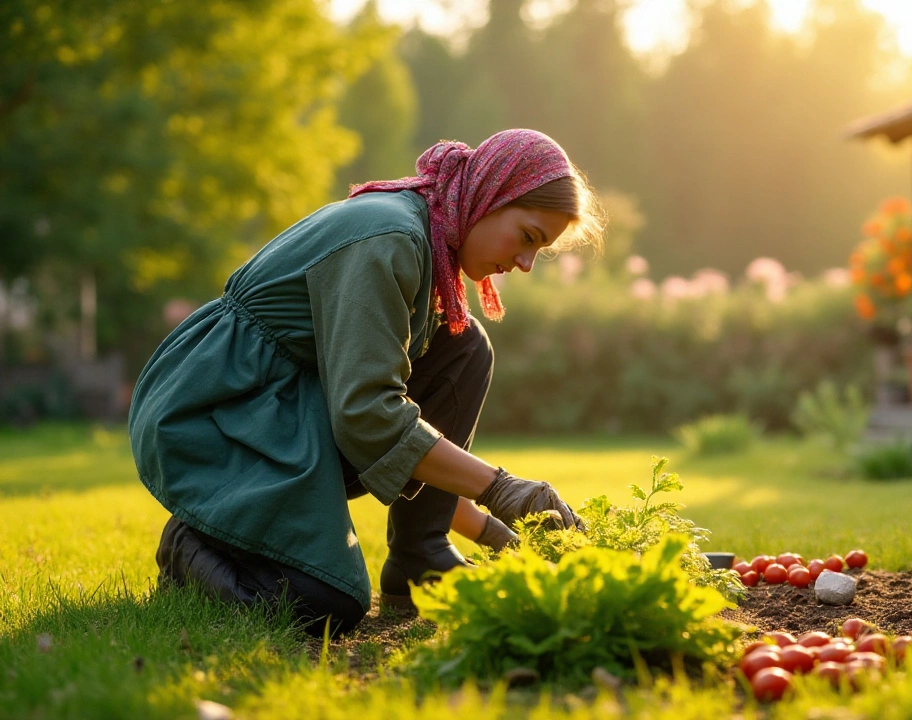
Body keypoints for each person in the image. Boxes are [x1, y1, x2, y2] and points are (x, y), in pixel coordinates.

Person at [129, 129, 606, 637]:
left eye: (541, 250)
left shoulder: (425, 241)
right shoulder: (391, 238)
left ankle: (421, 561)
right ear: (490, 194)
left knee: (463, 348)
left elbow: (391, 437)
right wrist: (503, 488)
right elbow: (369, 417)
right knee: (324, 603)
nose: (526, 263)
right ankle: (192, 543)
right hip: (218, 412)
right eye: (528, 236)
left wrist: (506, 534)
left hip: (288, 406)